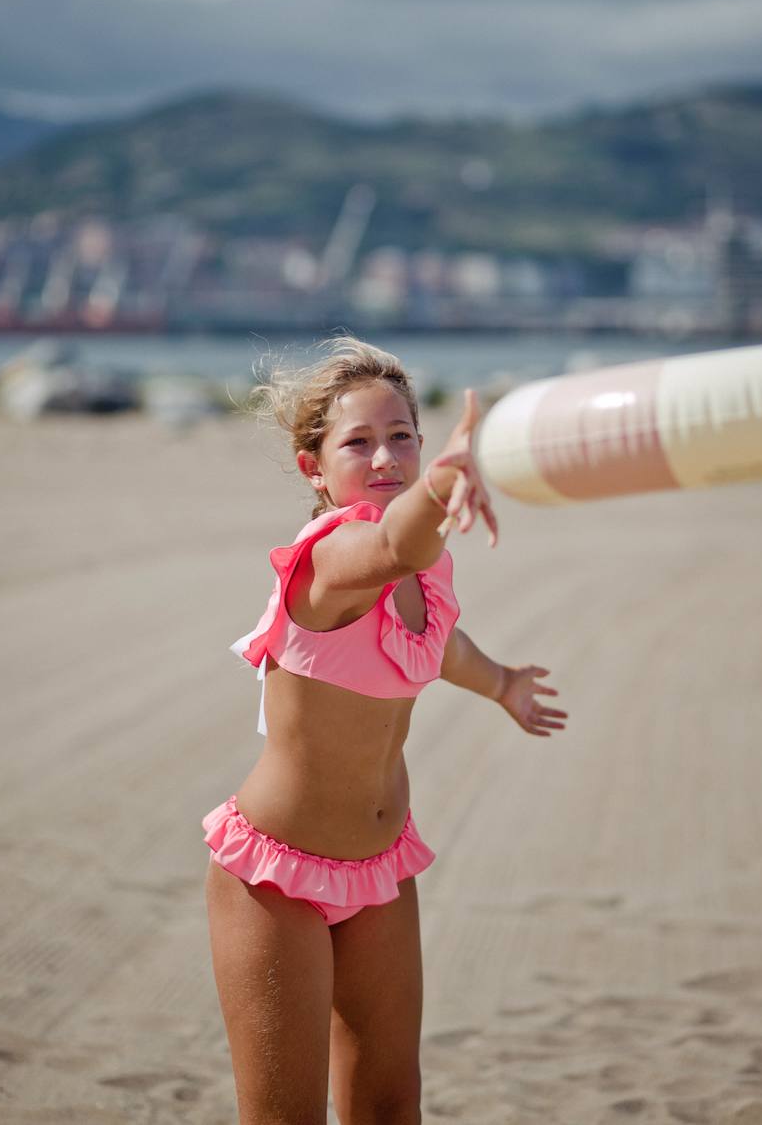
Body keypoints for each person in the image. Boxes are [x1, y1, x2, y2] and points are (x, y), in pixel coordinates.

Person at [203, 338, 567, 1124]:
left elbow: (438, 644)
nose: (384, 457)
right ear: (313, 467)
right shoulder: (332, 558)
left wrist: (502, 684)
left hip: (379, 870)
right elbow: (396, 540)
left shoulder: (422, 570)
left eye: (402, 436)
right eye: (358, 442)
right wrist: (440, 487)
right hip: (275, 878)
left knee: (392, 1105)